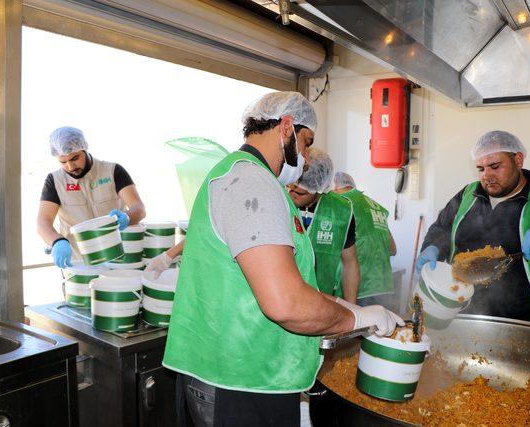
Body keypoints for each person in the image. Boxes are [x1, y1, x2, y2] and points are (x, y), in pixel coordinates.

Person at [162, 91, 403, 426]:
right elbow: (286, 304)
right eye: (305, 143)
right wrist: (355, 321)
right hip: (238, 380)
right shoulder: (252, 183)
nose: (305, 157)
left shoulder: (246, 177)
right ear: (286, 127)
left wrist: (354, 308)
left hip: (244, 372)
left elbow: (289, 283)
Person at [416, 130, 530, 327]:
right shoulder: (467, 195)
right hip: (462, 316)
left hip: (529, 326)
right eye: (480, 169)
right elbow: (441, 229)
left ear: (518, 160)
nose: (487, 176)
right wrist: (432, 247)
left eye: (495, 166)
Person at [37, 126, 146, 268]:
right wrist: (56, 241)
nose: (70, 167)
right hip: (79, 265)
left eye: (75, 158)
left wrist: (128, 217)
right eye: (63, 162)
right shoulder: (54, 181)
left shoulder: (113, 171)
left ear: (85, 148)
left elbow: (139, 208)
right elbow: (42, 222)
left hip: (119, 261)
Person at [287, 148, 359, 303]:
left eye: (300, 193)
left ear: (319, 189)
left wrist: (352, 308)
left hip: (323, 300)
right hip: (284, 299)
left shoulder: (341, 211)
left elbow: (350, 261)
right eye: (290, 186)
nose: (291, 194)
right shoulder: (280, 201)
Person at [333, 172, 397, 308]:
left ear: (334, 187)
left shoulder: (342, 202)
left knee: (362, 328)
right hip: (384, 287)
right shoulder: (376, 207)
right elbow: (392, 249)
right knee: (386, 328)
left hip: (358, 289)